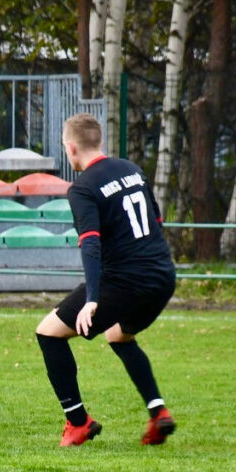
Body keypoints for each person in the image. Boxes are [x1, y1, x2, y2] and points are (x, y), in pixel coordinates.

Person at [35, 113, 176, 447]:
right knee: (119, 336)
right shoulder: (131, 168)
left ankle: (78, 422)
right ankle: (158, 412)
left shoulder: (82, 188)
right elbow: (156, 220)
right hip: (162, 275)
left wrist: (93, 299)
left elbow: (91, 242)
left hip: (124, 281)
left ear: (70, 148)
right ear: (99, 142)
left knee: (48, 333)